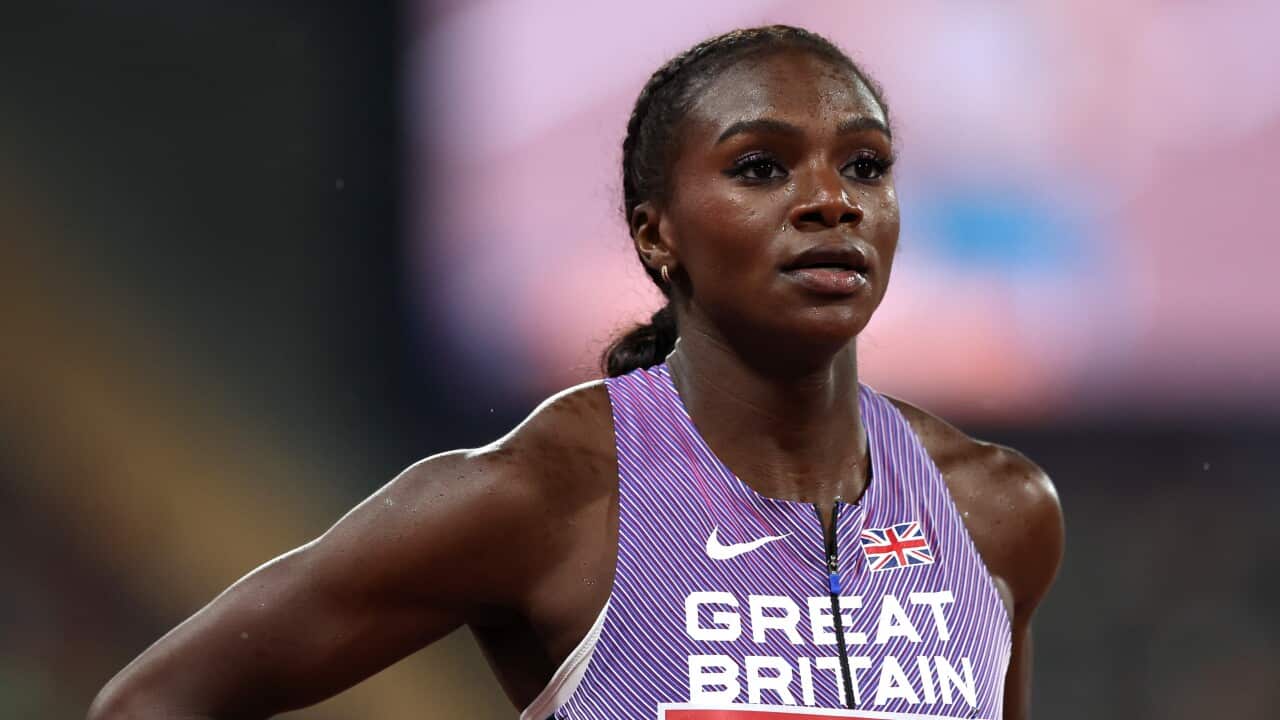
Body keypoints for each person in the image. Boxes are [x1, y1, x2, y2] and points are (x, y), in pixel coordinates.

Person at [89, 25, 1063, 720]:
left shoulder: (992, 510)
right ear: (656, 233)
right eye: (761, 167)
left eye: (864, 165)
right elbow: (153, 702)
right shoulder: (553, 494)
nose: (829, 201)